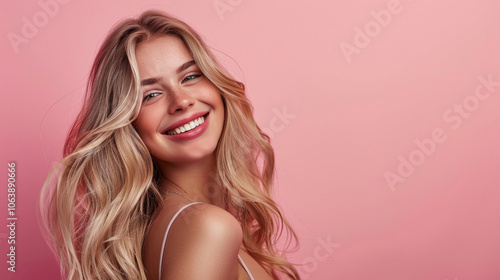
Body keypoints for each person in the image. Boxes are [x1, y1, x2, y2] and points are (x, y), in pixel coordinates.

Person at [41, 10, 299, 280]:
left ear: (217, 86)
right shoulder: (208, 228)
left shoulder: (175, 224)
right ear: (128, 123)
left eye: (190, 77)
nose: (181, 101)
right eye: (151, 94)